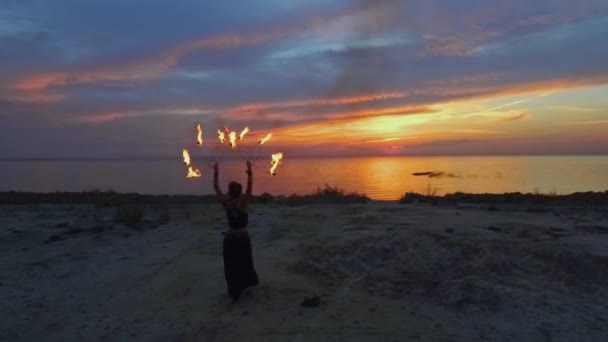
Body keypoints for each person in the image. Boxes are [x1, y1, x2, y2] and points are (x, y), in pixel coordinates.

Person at [213, 160, 259, 302]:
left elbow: (216, 188)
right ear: (239, 191)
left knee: (231, 266)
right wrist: (249, 171)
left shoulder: (225, 202)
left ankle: (234, 292)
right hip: (243, 238)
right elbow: (250, 188)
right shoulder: (243, 203)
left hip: (230, 239)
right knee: (244, 263)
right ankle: (245, 285)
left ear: (230, 191)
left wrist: (216, 172)